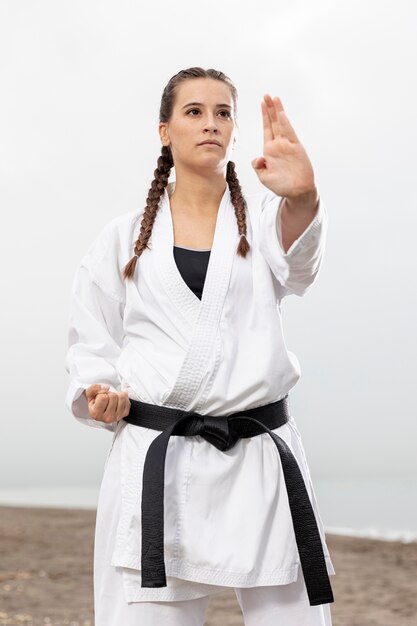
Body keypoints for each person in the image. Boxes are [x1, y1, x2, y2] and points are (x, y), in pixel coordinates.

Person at [64, 66, 336, 626]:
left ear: (235, 131)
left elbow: (301, 267)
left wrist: (304, 198)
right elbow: (90, 339)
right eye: (194, 112)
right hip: (158, 460)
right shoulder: (122, 237)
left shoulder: (262, 221)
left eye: (223, 112)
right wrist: (100, 392)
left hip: (260, 455)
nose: (210, 123)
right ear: (164, 130)